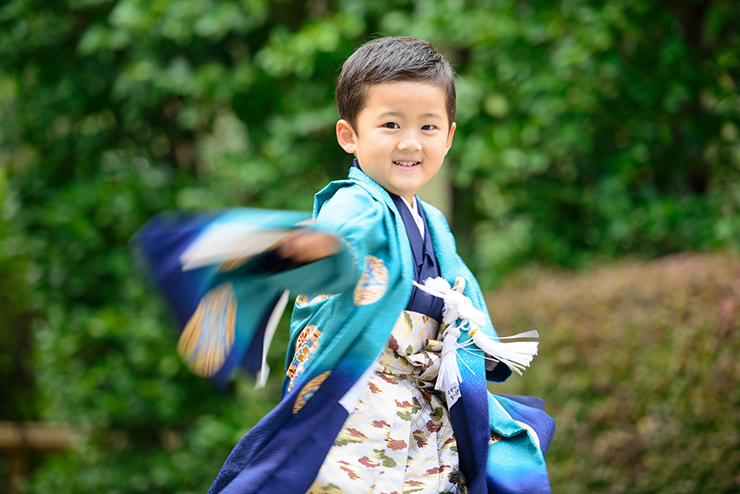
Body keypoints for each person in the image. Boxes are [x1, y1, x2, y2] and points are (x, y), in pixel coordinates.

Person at [138, 36, 554, 494]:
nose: (411, 142)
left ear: (450, 136)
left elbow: (462, 296)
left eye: (429, 127)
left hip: (422, 411)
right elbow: (333, 247)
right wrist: (284, 257)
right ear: (349, 136)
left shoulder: (432, 222)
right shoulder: (355, 207)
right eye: (391, 124)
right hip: (361, 409)